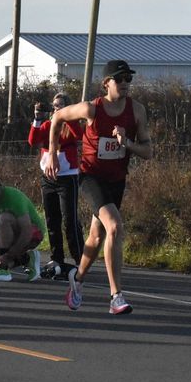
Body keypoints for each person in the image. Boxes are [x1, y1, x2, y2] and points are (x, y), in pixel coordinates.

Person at [47, 59, 153, 314]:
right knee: (115, 226)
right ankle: (116, 296)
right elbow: (58, 117)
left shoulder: (136, 110)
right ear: (107, 83)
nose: (126, 84)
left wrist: (126, 142)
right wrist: (53, 152)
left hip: (116, 179)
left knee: (97, 236)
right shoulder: (91, 109)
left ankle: (78, 280)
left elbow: (148, 151)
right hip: (90, 177)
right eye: (120, 79)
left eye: (129, 79)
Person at [28, 92, 84, 279]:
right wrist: (37, 118)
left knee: (70, 220)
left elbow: (79, 135)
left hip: (67, 178)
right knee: (52, 220)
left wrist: (68, 118)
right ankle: (57, 257)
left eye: (60, 106)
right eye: (54, 106)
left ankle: (80, 259)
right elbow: (32, 140)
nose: (56, 109)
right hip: (48, 178)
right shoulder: (48, 125)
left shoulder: (70, 125)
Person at [0, 181, 46, 282]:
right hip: (10, 237)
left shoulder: (13, 196)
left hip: (33, 234)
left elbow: (27, 232)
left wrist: (7, 255)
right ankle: (27, 259)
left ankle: (3, 268)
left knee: (4, 218)